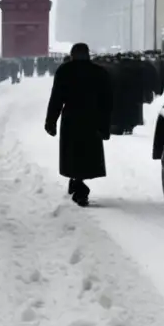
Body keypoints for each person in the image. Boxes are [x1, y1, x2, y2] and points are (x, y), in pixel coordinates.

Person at [44, 42, 113, 207]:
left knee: (73, 155)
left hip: (71, 119)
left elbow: (57, 98)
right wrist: (105, 126)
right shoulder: (99, 72)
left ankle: (79, 187)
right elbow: (107, 102)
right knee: (87, 156)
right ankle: (78, 185)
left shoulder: (65, 71)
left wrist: (50, 121)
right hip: (92, 120)